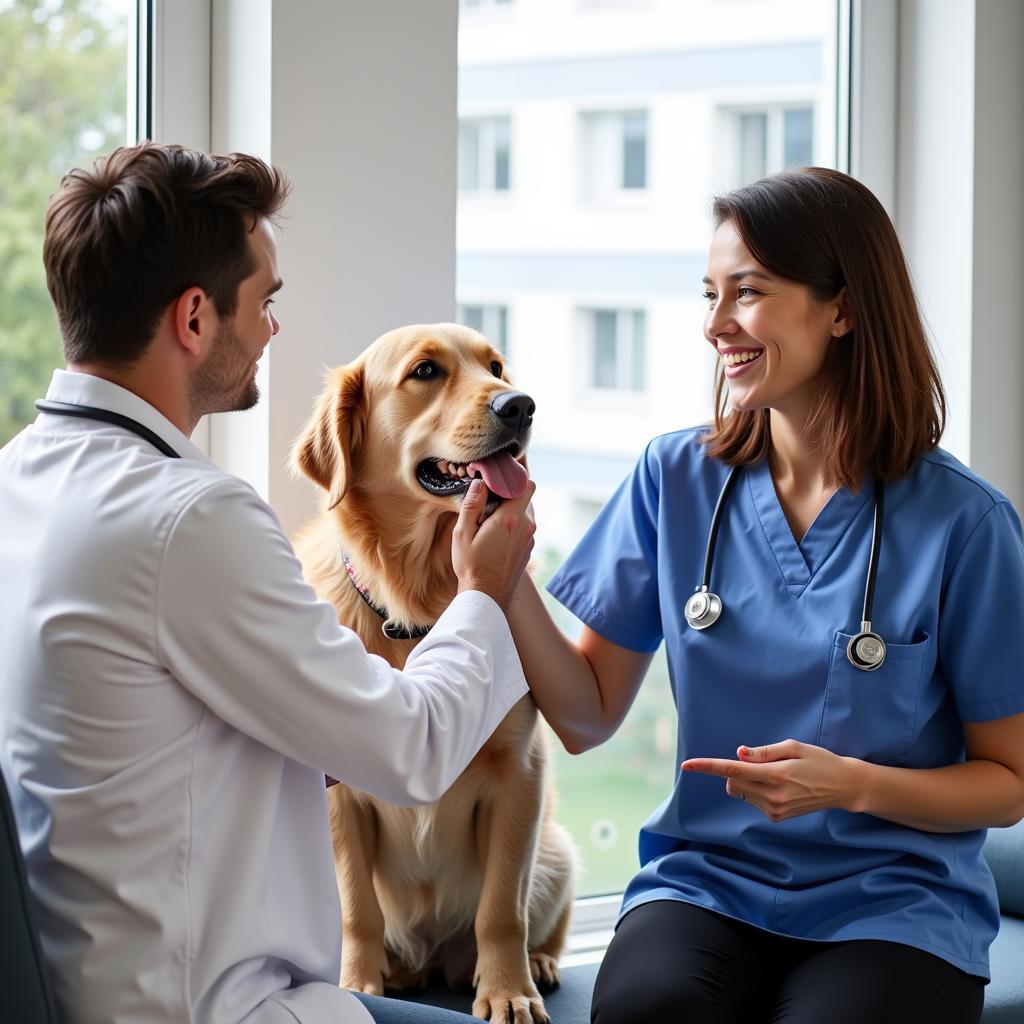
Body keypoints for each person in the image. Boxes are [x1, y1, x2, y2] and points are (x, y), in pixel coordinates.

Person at [0, 141, 536, 1024]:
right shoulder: (191, 518)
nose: (273, 330)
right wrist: (483, 593)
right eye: (265, 301)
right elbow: (415, 752)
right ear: (194, 319)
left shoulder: (23, 477)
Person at [508, 167, 1024, 1023]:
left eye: (745, 294)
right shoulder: (675, 478)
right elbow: (588, 714)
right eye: (710, 294)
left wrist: (851, 786)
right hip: (708, 880)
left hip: (895, 904)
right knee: (647, 1010)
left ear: (844, 309)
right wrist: (506, 585)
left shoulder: (965, 523)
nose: (715, 325)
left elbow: (1008, 783)